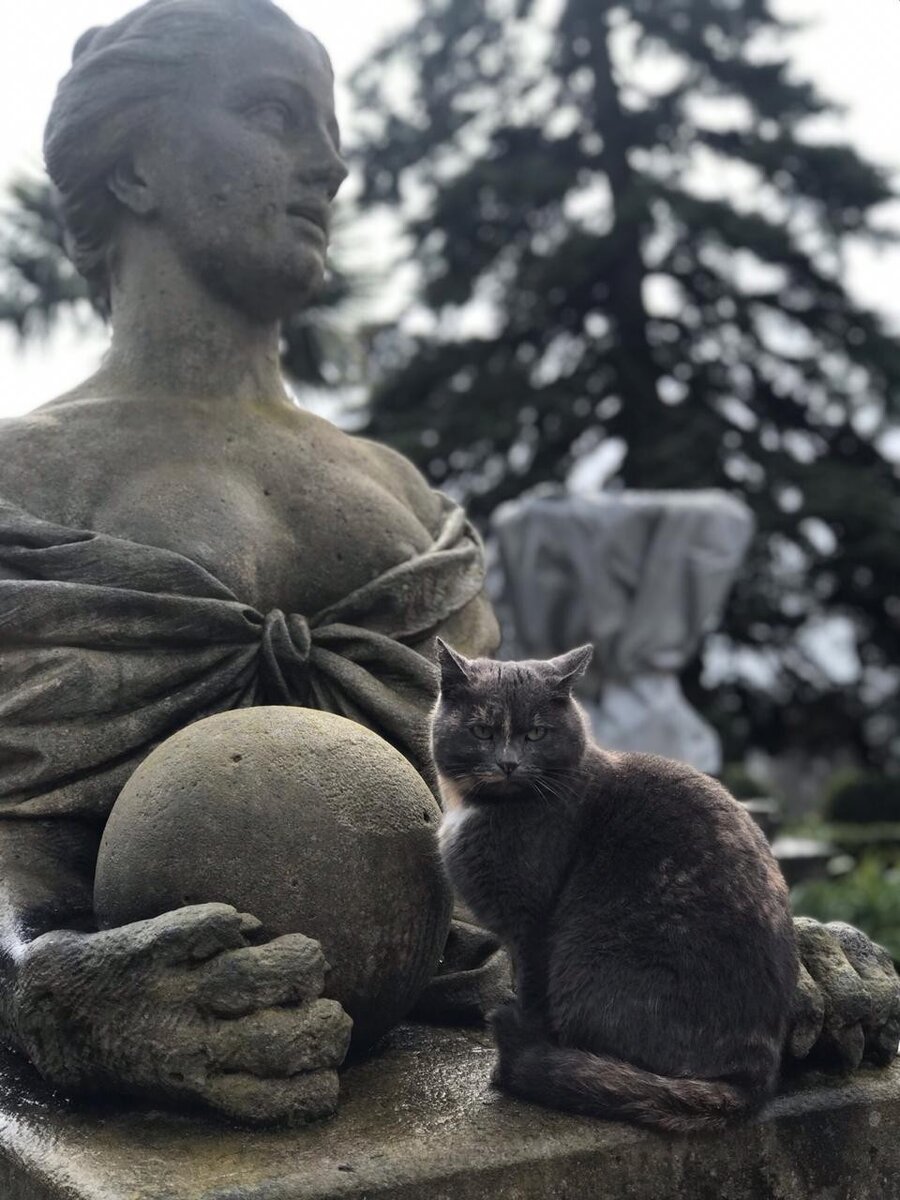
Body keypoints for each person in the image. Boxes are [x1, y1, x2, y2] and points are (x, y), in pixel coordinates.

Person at [0, 0, 895, 1126]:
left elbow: (528, 848)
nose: (330, 165)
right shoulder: (23, 479)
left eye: (333, 129)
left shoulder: (407, 499)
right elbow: (20, 844)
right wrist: (45, 983)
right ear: (133, 165)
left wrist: (736, 943)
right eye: (275, 113)